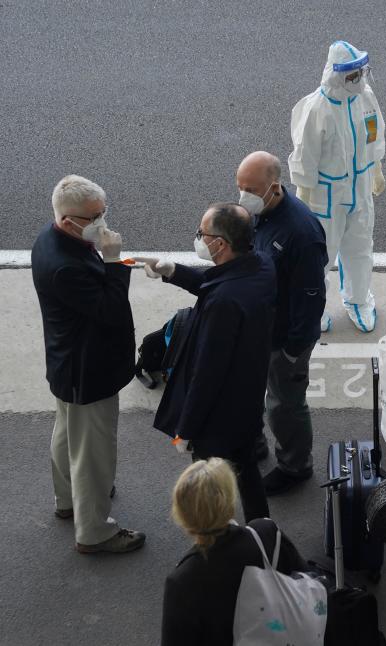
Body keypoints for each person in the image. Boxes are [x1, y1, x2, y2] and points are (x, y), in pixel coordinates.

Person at [31, 175, 145, 554]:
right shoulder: (67, 266)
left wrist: (120, 261)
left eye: (103, 211)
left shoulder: (49, 242)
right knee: (94, 452)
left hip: (67, 366)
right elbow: (110, 310)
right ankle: (95, 531)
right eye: (94, 216)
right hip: (89, 370)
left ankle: (68, 500)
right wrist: (115, 262)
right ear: (68, 221)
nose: (103, 222)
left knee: (67, 435)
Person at [147, 203, 276, 522]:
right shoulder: (260, 265)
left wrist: (185, 430)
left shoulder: (223, 304)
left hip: (217, 418)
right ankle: (263, 531)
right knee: (246, 469)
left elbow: (207, 373)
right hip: (247, 399)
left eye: (202, 233)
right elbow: (217, 281)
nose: (199, 237)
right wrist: (173, 271)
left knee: (210, 488)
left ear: (220, 244)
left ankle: (218, 544)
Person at [235, 151, 328, 496]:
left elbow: (311, 297)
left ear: (274, 188)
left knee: (284, 405)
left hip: (284, 339)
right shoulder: (259, 213)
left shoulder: (300, 233)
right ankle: (255, 443)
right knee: (252, 391)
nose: (242, 196)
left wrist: (293, 351)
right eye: (239, 186)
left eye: (250, 189)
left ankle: (294, 465)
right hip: (260, 329)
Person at [289, 39, 386, 333]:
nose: (359, 79)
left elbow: (375, 133)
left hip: (360, 187)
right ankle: (310, 308)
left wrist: (376, 168)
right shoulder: (317, 108)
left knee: (360, 247)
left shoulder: (365, 98)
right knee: (320, 254)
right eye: (352, 75)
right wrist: (303, 195)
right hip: (324, 193)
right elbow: (304, 154)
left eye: (361, 73)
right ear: (336, 74)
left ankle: (358, 300)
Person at [161, 458, 308, 646]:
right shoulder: (265, 534)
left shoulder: (182, 580)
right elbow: (304, 580)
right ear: (229, 500)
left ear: (182, 515)